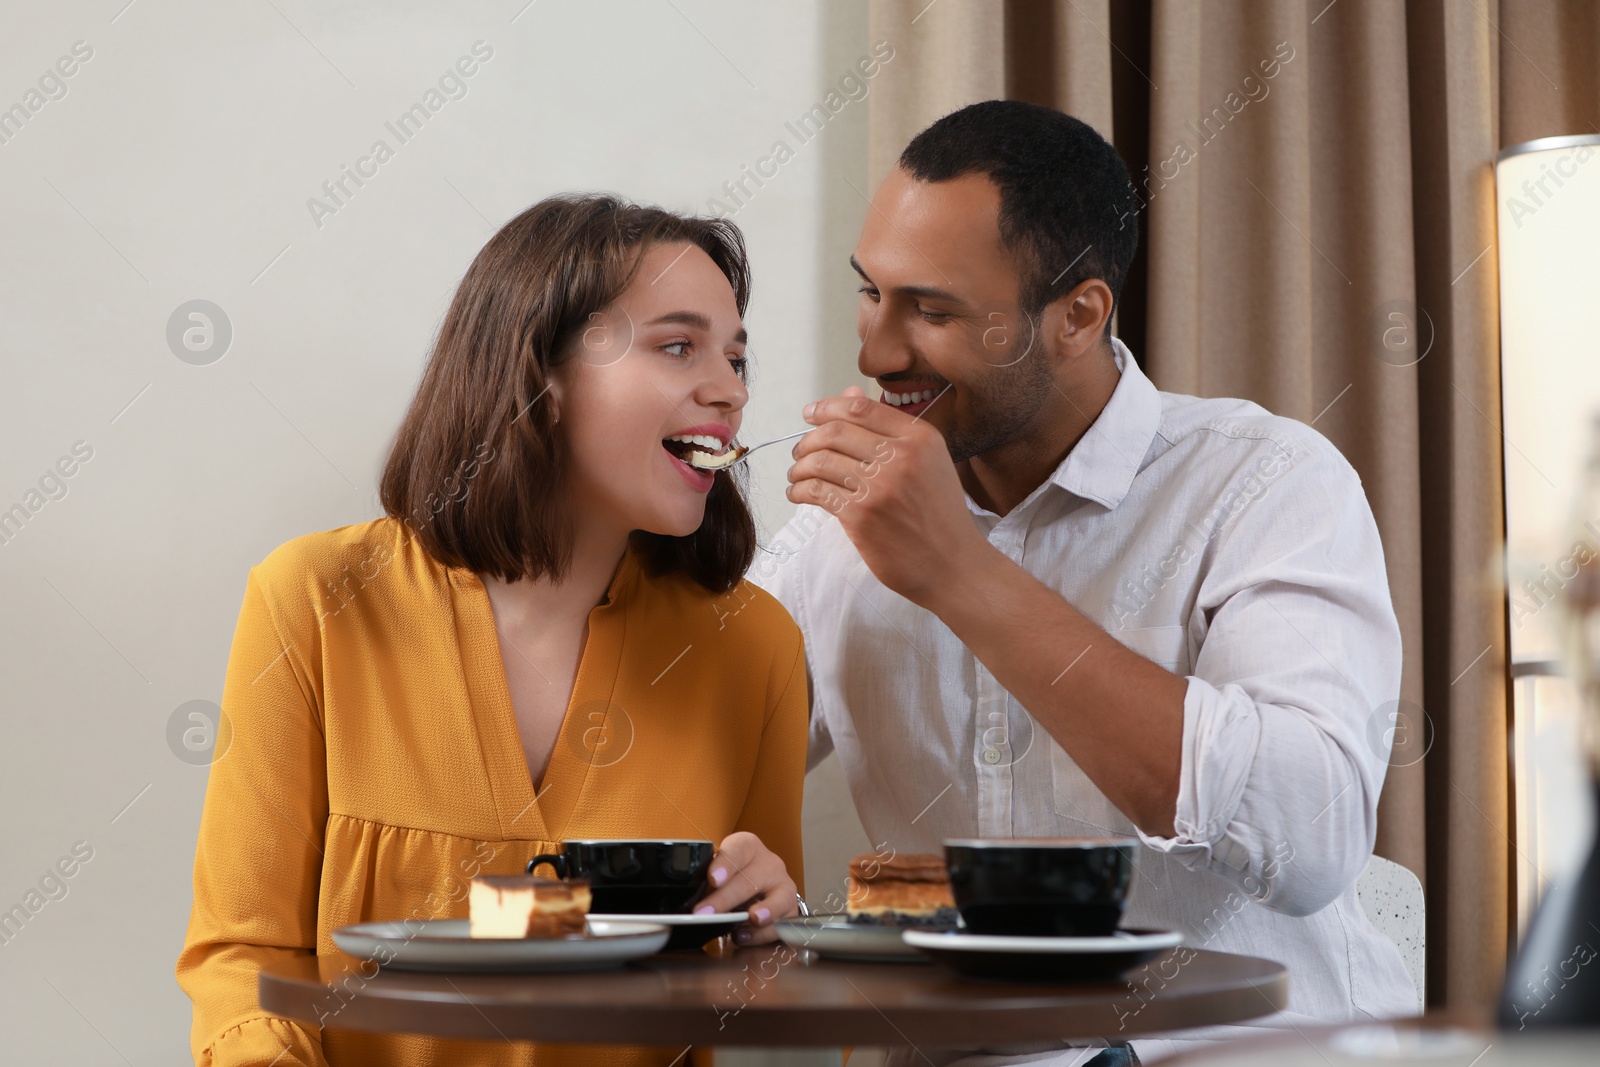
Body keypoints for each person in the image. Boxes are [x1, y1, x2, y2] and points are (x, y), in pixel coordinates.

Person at [754, 100, 1417, 1065]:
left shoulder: (1267, 481)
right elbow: (692, 747)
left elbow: (1307, 838)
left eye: (932, 310)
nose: (876, 354)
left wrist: (962, 573)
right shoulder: (835, 525)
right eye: (871, 294)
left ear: (1078, 316)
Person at [177, 194, 808, 1067]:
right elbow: (240, 958)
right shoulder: (316, 602)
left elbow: (762, 1023)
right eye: (678, 346)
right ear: (542, 374)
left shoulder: (755, 644)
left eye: (738, 358)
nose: (731, 389)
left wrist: (774, 932)